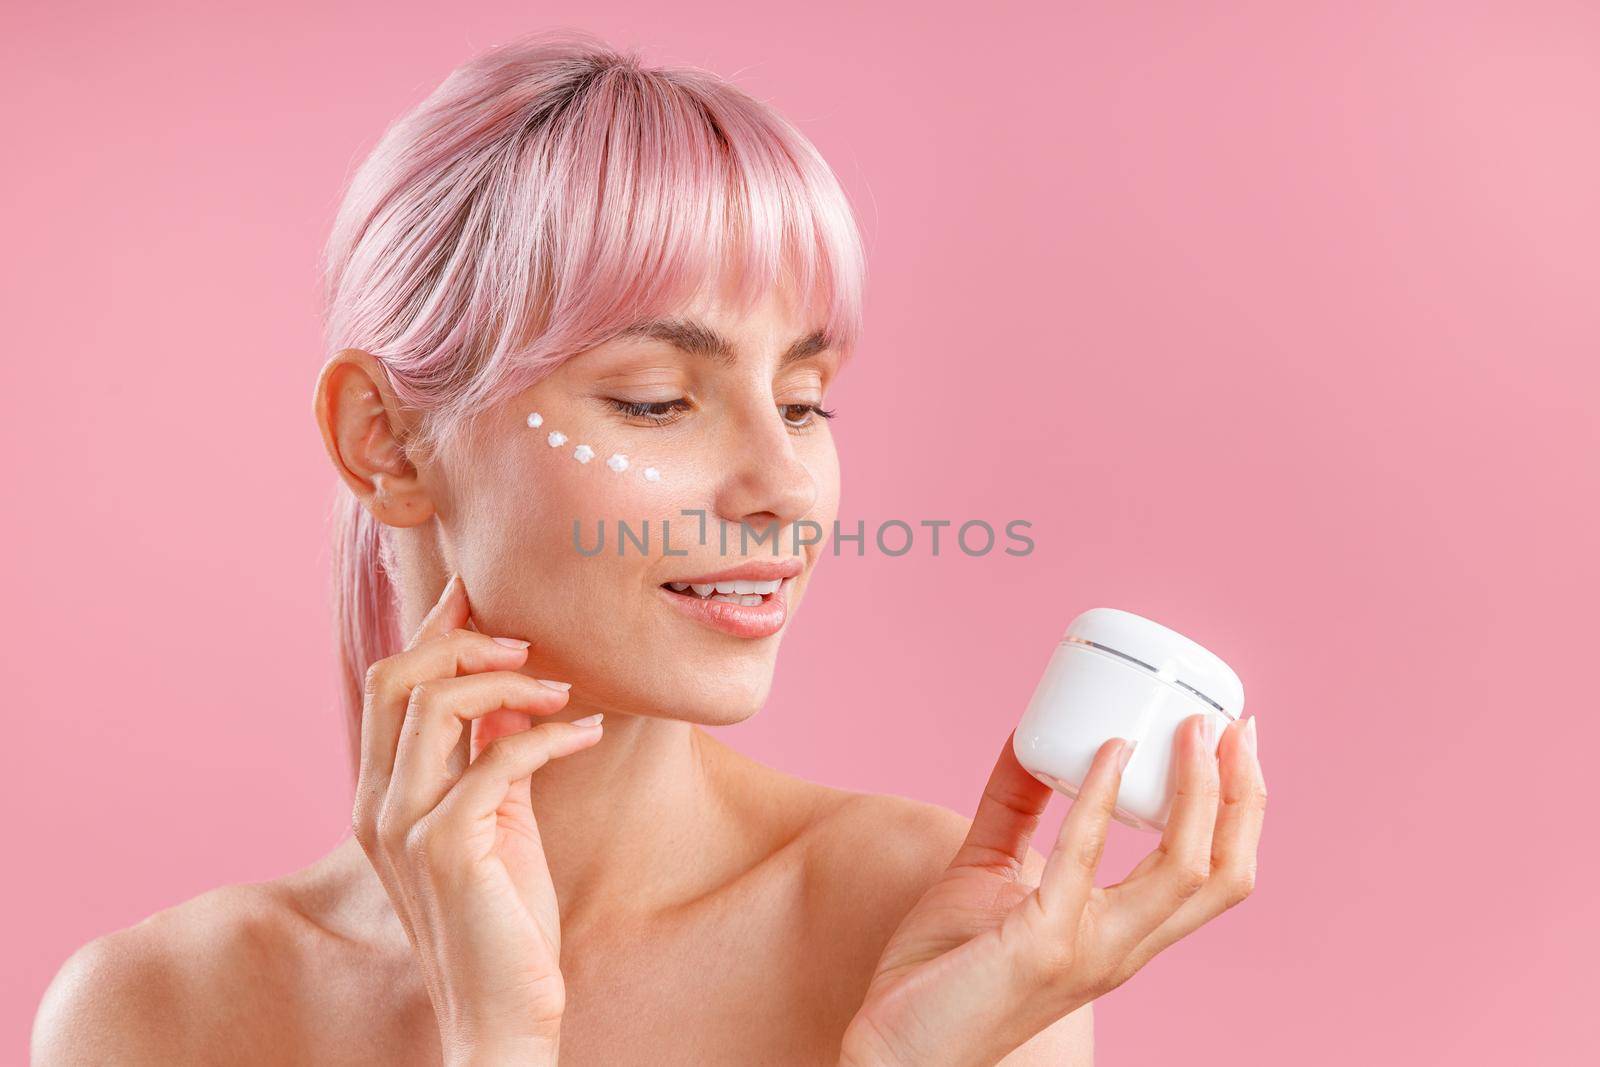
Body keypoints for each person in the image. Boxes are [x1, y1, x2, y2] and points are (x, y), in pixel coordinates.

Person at [32, 29, 1266, 1066]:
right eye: (655, 400)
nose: (786, 488)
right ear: (389, 443)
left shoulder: (933, 925)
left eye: (803, 399)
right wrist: (495, 1038)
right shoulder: (158, 1014)